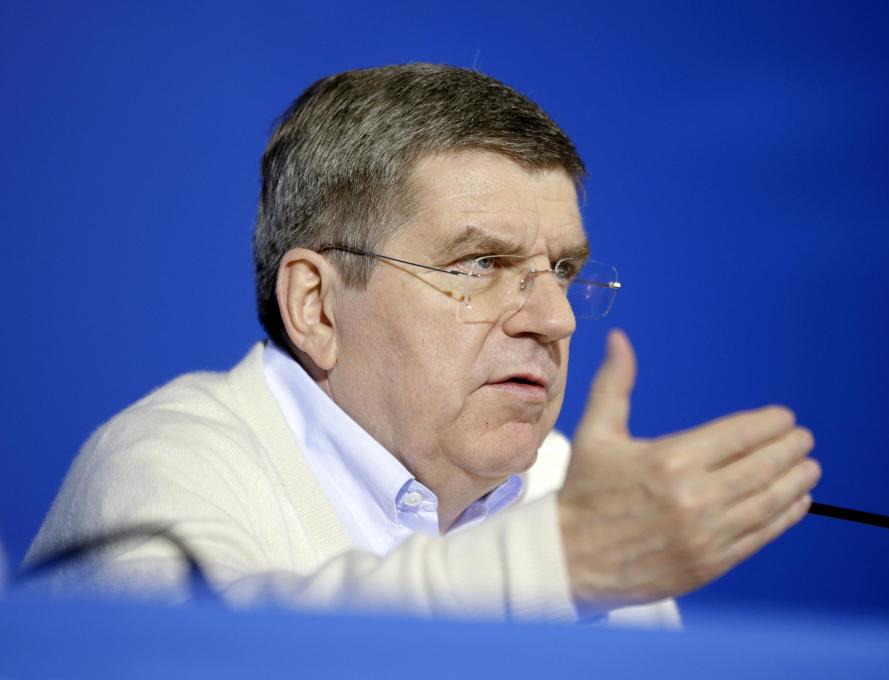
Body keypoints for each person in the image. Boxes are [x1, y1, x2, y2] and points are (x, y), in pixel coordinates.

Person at [25, 64, 820, 624]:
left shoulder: (568, 492)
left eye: (564, 269)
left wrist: (573, 551)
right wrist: (559, 565)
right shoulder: (162, 469)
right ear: (317, 306)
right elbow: (214, 657)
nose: (555, 317)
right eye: (481, 263)